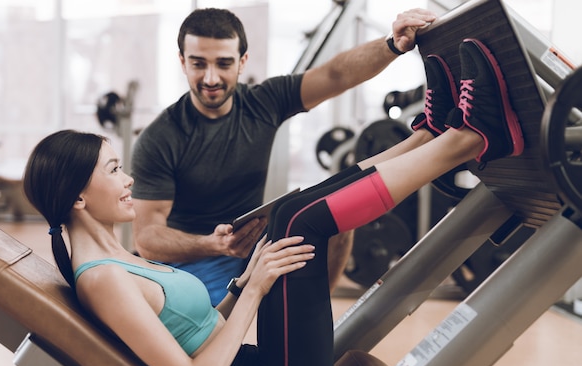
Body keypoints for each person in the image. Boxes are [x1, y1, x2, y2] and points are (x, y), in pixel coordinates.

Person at [23, 38, 524, 366]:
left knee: (286, 214)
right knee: (297, 221)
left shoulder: (117, 261)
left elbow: (192, 330)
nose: (129, 178)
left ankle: (431, 138)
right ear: (78, 197)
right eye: (114, 171)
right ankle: (466, 141)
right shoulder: (103, 278)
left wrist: (241, 285)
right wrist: (256, 291)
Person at [130, 7, 439, 305]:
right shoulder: (160, 137)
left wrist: (391, 45)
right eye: (198, 64)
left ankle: (314, 317)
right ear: (183, 62)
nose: (211, 78)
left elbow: (335, 75)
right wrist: (214, 244)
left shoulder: (263, 102)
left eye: (223, 64)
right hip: (193, 259)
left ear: (242, 61)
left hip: (255, 245)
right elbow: (146, 238)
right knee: (208, 326)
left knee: (337, 218)